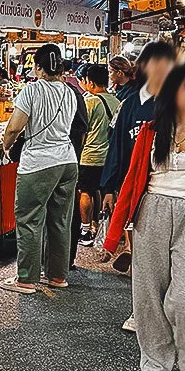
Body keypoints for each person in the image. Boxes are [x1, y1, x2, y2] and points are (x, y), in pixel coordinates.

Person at [104, 65, 185, 371]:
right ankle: (155, 362)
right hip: (152, 214)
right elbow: (132, 182)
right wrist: (114, 233)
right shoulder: (150, 131)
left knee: (184, 300)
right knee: (148, 296)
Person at [0, 43, 83, 294]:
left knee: (29, 219)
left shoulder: (32, 90)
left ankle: (25, 279)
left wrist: (6, 146)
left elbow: (15, 127)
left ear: (38, 67)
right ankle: (57, 275)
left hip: (39, 162)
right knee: (60, 220)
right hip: (67, 161)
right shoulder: (71, 92)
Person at [100, 40, 176, 283]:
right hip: (134, 182)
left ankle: (139, 262)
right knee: (140, 234)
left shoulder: (178, 104)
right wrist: (109, 187)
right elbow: (117, 147)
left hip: (168, 187)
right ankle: (137, 273)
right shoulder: (129, 105)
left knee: (161, 246)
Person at [76, 64, 120, 245]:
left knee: (86, 192)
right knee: (108, 193)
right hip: (110, 158)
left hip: (90, 156)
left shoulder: (90, 102)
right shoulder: (116, 101)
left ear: (91, 82)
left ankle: (86, 231)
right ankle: (109, 232)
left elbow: (82, 131)